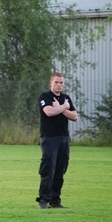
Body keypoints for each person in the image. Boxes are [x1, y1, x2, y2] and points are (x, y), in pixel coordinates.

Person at [36, 72, 78, 209]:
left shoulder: (66, 98)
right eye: (56, 82)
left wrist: (62, 108)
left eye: (61, 83)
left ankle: (55, 200)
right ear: (51, 83)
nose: (59, 85)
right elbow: (49, 112)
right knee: (48, 169)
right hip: (49, 138)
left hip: (64, 138)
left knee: (60, 170)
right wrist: (64, 107)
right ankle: (43, 199)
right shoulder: (45, 96)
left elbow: (74, 116)